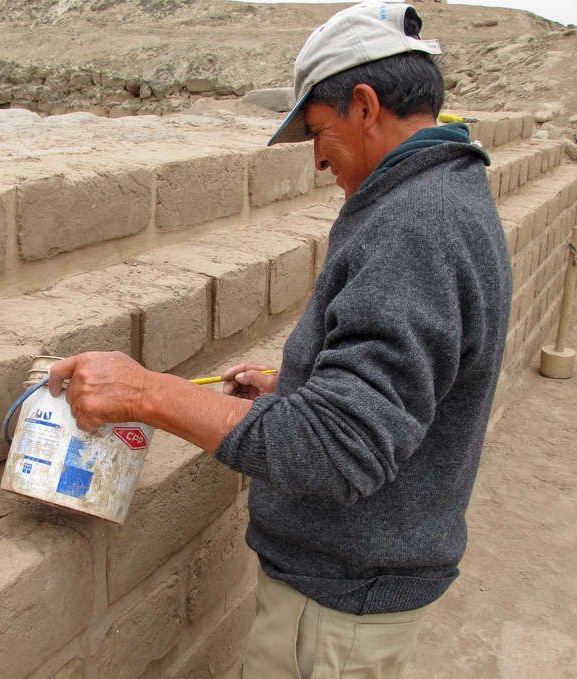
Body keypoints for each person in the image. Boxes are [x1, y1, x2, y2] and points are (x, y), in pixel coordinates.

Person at [48, 3, 512, 677]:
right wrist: (296, 388)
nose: (320, 159)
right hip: (357, 589)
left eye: (319, 132)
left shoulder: (418, 227)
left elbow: (338, 446)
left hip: (337, 610)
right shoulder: (445, 192)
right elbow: (403, 386)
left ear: (364, 104)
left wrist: (146, 392)